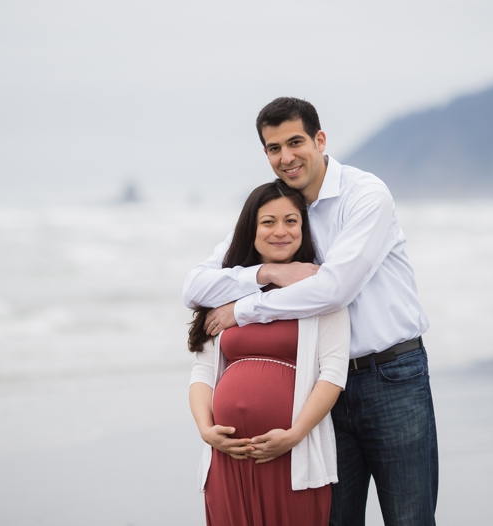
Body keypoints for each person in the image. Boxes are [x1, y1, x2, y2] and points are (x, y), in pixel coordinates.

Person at [184, 97, 437, 525]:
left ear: (320, 140)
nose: (286, 157)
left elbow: (334, 290)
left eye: (295, 142)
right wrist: (268, 272)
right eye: (273, 148)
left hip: (391, 377)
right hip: (316, 390)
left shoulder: (365, 195)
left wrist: (243, 310)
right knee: (334, 519)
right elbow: (195, 287)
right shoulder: (282, 209)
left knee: (409, 517)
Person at [189, 180, 349, 525]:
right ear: (251, 229)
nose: (280, 231)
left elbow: (333, 374)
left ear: (304, 229)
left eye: (291, 221)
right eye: (268, 222)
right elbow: (202, 371)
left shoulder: (322, 289)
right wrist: (206, 429)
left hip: (292, 455)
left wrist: (294, 435)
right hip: (227, 457)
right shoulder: (226, 290)